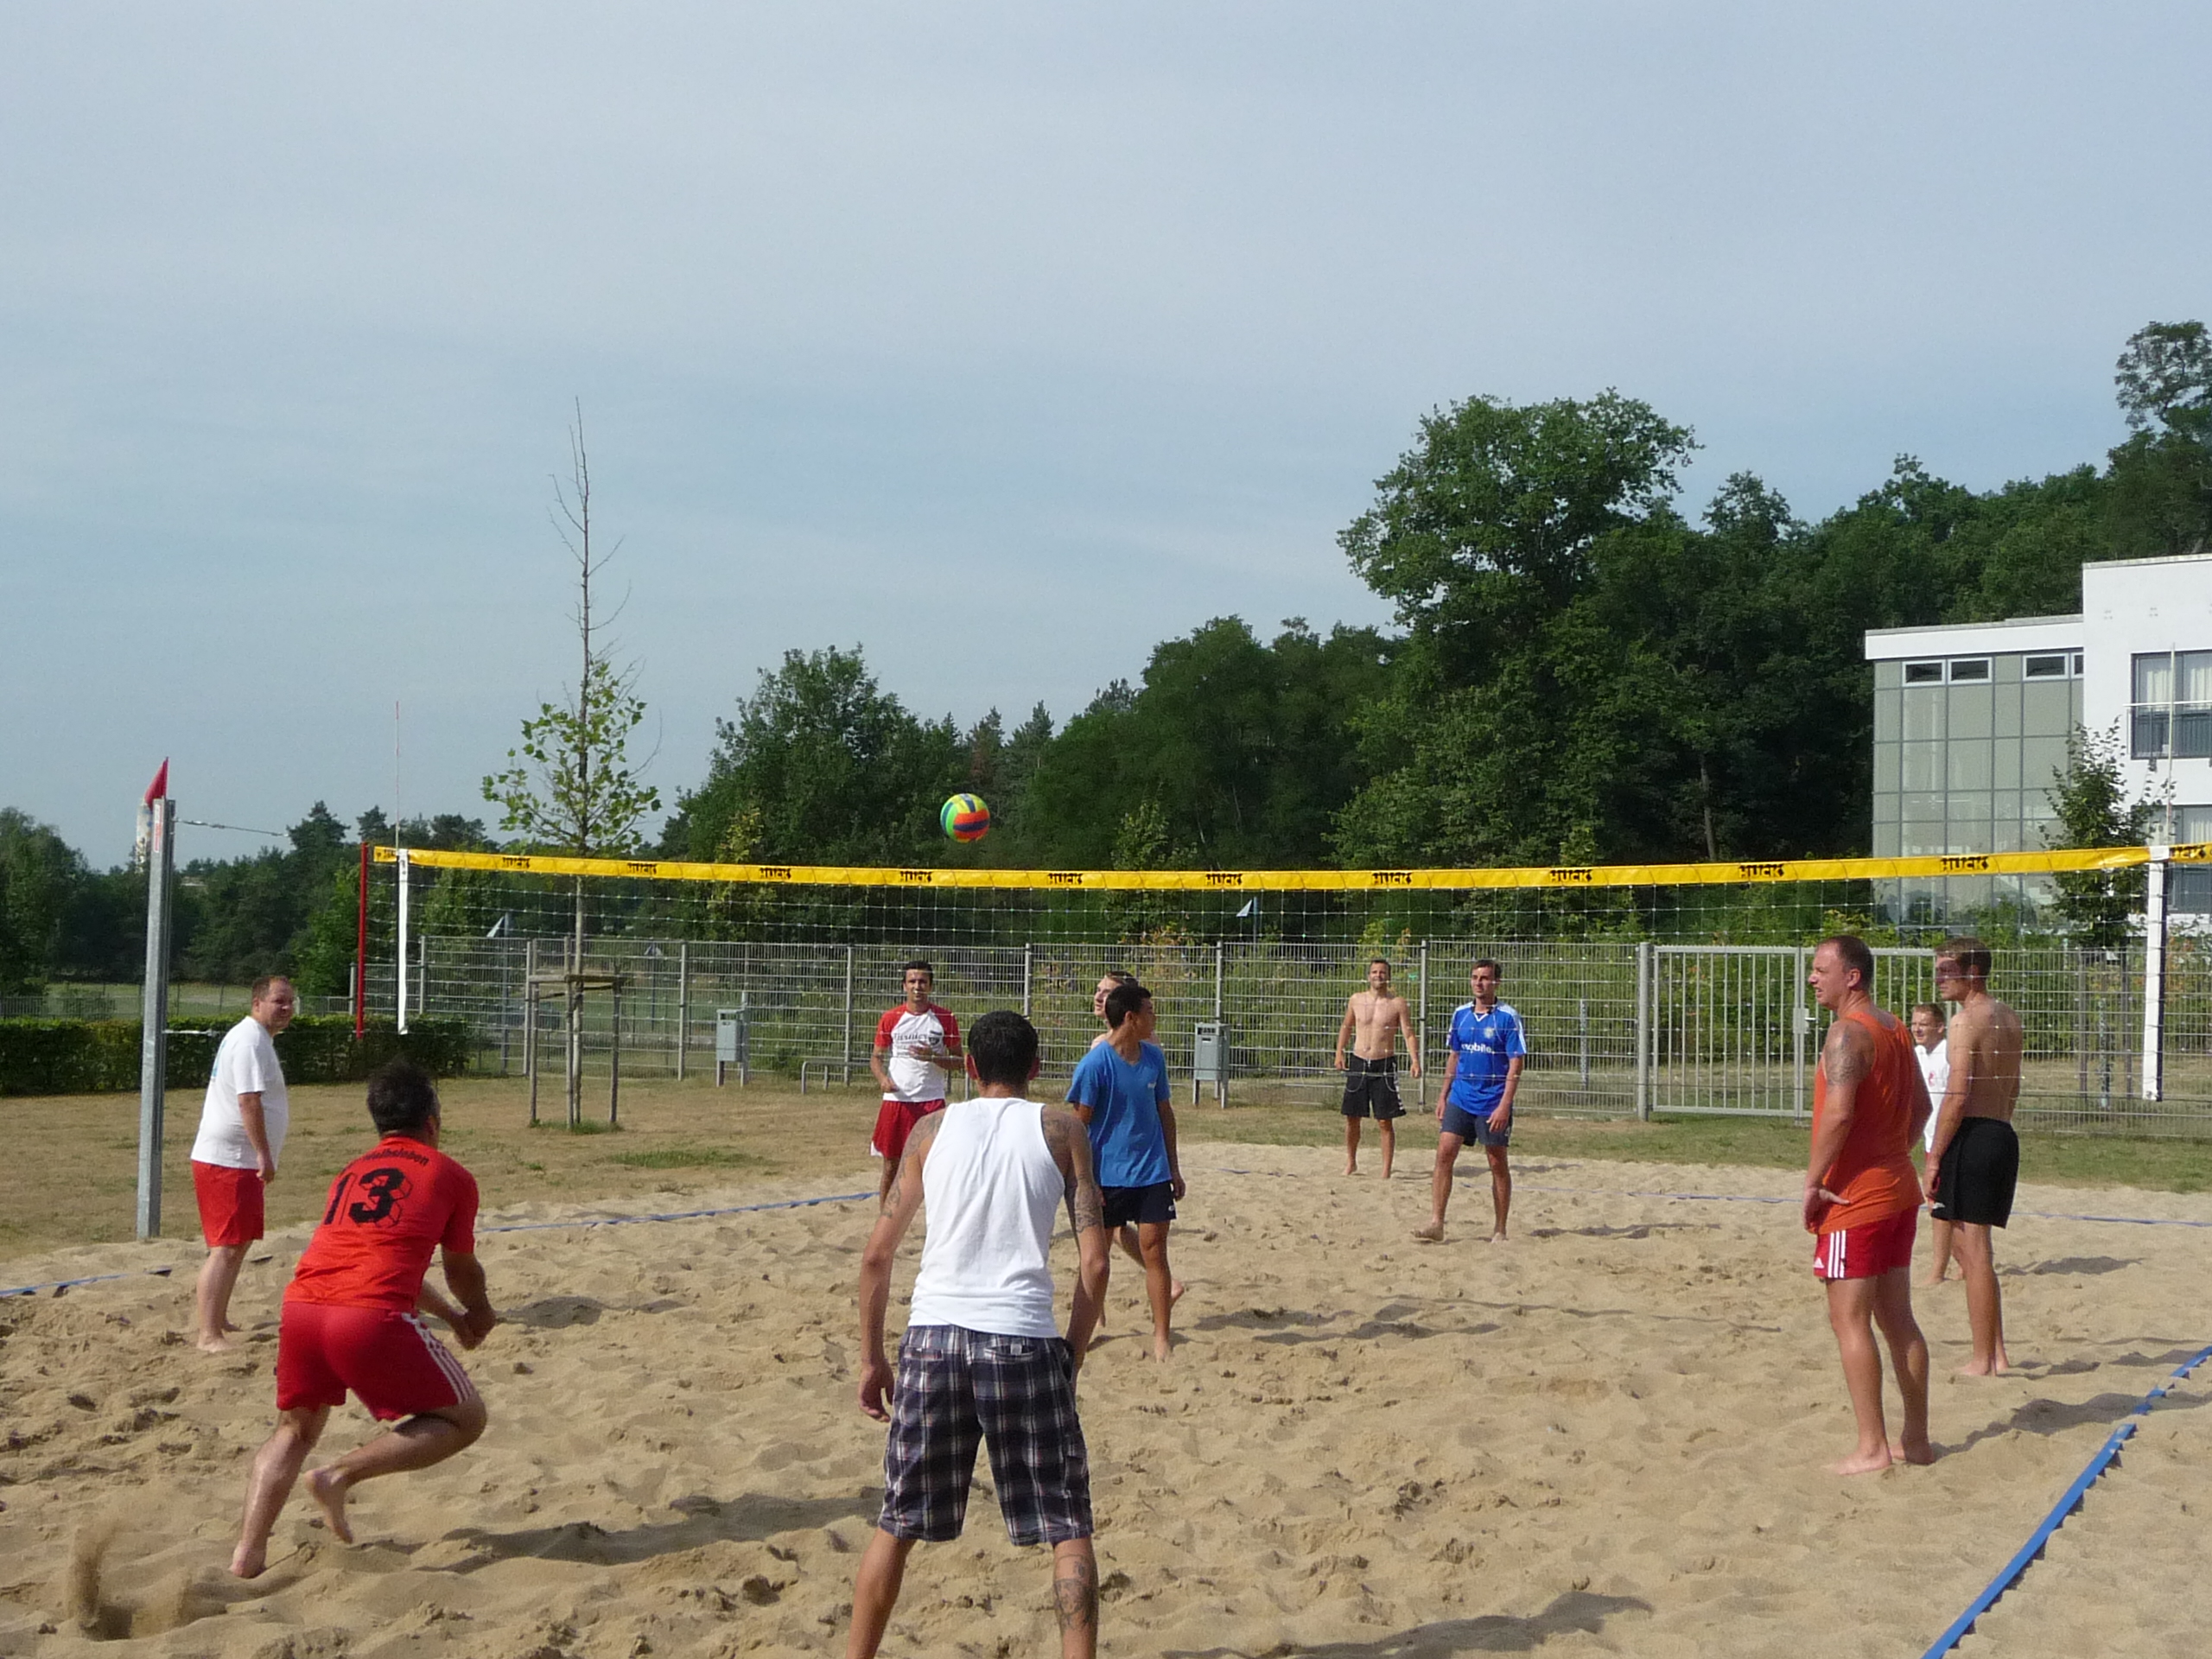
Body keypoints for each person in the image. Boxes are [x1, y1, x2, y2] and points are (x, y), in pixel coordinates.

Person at [849, 1010, 1110, 1659]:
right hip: (1021, 1336)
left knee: (897, 1522)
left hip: (934, 1337)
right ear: (1036, 1068)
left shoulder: (934, 1129)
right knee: (1067, 1526)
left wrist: (872, 1358)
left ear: (966, 1067)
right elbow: (1097, 1263)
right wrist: (1069, 1354)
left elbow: (876, 1257)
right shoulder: (1062, 1129)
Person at [229, 1060, 497, 1578]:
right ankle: (338, 1475)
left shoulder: (351, 1172)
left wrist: (449, 1317)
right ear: (433, 1123)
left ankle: (247, 1555)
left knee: (293, 1431)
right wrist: (477, 1312)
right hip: (368, 1317)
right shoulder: (451, 1175)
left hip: (303, 1308)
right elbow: (459, 1268)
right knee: (466, 1418)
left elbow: (386, 1258)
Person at [1804, 935, 1935, 1476]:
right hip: (1897, 1189)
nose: (1813, 979)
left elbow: (1837, 1116)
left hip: (1854, 1198)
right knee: (1898, 1318)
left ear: (1850, 976)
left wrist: (1813, 1183)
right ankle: (1917, 1440)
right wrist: (1887, 1154)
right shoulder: (1896, 1028)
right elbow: (1922, 1106)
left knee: (1849, 1321)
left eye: (1820, 970)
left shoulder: (1847, 1033)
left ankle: (1872, 1447)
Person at [1065, 982, 1185, 1361]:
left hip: (1151, 1172)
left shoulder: (1153, 1058)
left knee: (1155, 1251)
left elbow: (1165, 1113)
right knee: (1095, 1259)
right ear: (1131, 1018)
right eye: (1150, 1011)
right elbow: (1078, 1127)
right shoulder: (1095, 1064)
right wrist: (1087, 1180)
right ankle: (1083, 1331)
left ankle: (1161, 1337)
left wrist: (1174, 1169)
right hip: (1108, 1175)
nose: (1155, 1018)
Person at [1924, 936, 2024, 1376]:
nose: (1939, 977)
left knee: (1974, 1251)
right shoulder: (2009, 1016)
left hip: (1974, 1133)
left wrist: (1934, 1156)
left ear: (1972, 973)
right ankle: (1997, 1351)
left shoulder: (1966, 1022)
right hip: (2001, 1132)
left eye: (1947, 970)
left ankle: (1983, 1359)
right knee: (1973, 1249)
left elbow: (1957, 1094)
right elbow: (2014, 1086)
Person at [190, 975, 296, 1352]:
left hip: (234, 1159)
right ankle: (208, 1334)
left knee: (239, 1243)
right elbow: (248, 1101)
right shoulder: (250, 1039)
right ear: (257, 1003)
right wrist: (263, 1153)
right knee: (227, 1246)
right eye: (278, 1001)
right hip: (229, 1159)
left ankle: (218, 1319)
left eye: (290, 1002)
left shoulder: (256, 1039)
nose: (286, 1008)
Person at [1414, 960, 1525, 1243]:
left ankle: (1500, 1228)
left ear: (1496, 982)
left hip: (1492, 1100)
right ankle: (1437, 1222)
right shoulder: (1461, 1014)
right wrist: (1443, 1095)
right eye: (1475, 977)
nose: (1479, 983)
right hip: (1461, 1097)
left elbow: (1516, 1064)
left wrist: (1505, 1105)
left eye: (1485, 978)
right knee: (1444, 1153)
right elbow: (1454, 1056)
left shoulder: (1508, 1017)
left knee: (1496, 1161)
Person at [869, 960, 963, 1205]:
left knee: (934, 1163)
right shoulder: (891, 1018)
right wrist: (882, 1078)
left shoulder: (945, 1018)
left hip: (931, 1100)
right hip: (897, 1100)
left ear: (930, 986)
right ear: (904, 986)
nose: (917, 986)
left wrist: (932, 1057)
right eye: (912, 981)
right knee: (891, 1163)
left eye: (922, 982)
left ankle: (936, 1218)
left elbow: (960, 1061)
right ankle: (885, 1218)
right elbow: (876, 1057)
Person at [1333, 957, 1421, 1178]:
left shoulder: (1397, 1003)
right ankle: (1351, 1162)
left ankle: (1385, 1170)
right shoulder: (1356, 999)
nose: (1378, 976)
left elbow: (1408, 1033)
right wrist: (1339, 1052)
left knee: (1384, 1119)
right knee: (1352, 1116)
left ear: (1388, 976)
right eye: (1374, 972)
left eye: (1382, 972)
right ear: (1368, 975)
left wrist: (1415, 1060)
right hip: (1359, 1061)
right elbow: (1347, 1026)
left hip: (1384, 1063)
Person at [1908, 1001, 1961, 1286]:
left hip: (1948, 1137)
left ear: (1940, 1027)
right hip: (1929, 1136)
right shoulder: (1917, 1054)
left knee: (1940, 1206)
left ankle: (1938, 1271)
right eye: (1914, 1023)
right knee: (1942, 1204)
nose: (1917, 1028)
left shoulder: (1947, 1055)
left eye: (1923, 1024)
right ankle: (1964, 1264)